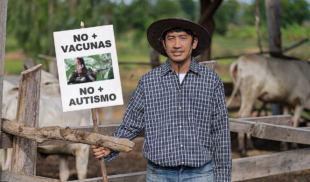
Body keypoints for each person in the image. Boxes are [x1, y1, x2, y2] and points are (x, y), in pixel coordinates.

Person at [92, 18, 232, 182]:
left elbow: (220, 133)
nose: (177, 44)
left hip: (200, 174)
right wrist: (110, 146)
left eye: (182, 37)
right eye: (171, 38)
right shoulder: (148, 82)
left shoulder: (211, 81)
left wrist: (222, 178)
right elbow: (131, 124)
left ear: (194, 42)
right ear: (164, 44)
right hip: (159, 175)